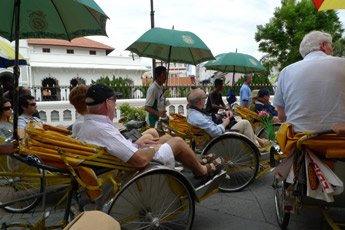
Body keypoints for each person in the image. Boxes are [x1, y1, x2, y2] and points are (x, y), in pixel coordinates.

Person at [77, 84, 223, 182]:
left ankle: (195, 161)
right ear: (107, 103)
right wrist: (153, 149)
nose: (115, 105)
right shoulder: (102, 129)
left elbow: (115, 146)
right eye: (114, 101)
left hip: (120, 162)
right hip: (133, 167)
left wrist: (135, 144)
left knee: (165, 137)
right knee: (177, 141)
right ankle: (202, 170)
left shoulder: (89, 124)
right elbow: (140, 160)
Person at [274, 31, 345, 133]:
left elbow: (282, 116)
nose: (332, 50)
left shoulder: (286, 71)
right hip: (340, 142)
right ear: (323, 45)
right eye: (332, 46)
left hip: (302, 143)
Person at [187, 88, 268, 148]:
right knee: (245, 123)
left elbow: (209, 117)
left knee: (238, 119)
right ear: (201, 100)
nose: (205, 101)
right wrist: (225, 123)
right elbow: (216, 131)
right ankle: (255, 147)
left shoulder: (194, 112)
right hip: (217, 139)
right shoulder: (197, 116)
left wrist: (222, 114)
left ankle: (258, 141)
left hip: (212, 133)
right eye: (205, 98)